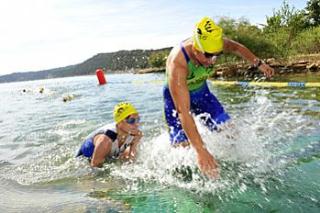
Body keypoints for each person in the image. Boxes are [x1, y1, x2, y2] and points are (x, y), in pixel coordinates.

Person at [164, 16, 274, 179]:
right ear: (196, 49)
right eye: (209, 56)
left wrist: (259, 64)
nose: (213, 61)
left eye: (217, 55)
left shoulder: (215, 43)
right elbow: (183, 112)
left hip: (202, 93)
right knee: (183, 150)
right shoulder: (178, 62)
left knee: (230, 134)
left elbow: (237, 48)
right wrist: (201, 151)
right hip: (176, 99)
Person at [77, 102, 142, 167]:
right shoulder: (106, 139)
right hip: (85, 160)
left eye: (138, 119)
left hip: (109, 154)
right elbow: (94, 166)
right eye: (131, 120)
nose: (137, 124)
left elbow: (130, 160)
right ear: (119, 122)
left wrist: (135, 143)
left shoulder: (134, 134)